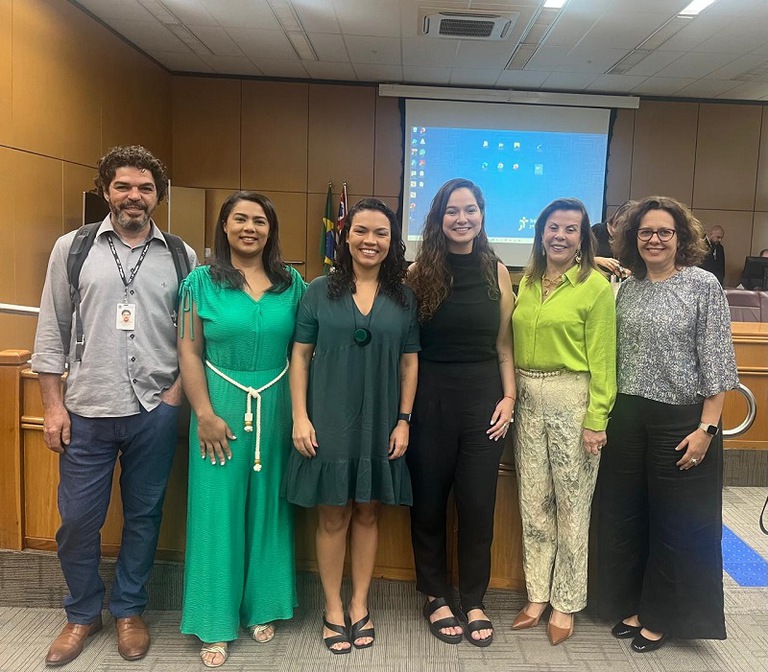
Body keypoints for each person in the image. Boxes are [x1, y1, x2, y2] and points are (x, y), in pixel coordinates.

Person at [31, 146, 197, 666]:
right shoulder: (74, 248)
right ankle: (82, 613)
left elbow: (191, 334)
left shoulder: (180, 254)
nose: (134, 196)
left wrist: (175, 397)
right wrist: (53, 407)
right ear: (107, 190)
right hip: (86, 407)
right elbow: (51, 331)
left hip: (154, 407)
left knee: (145, 515)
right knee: (78, 520)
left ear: (158, 197)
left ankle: (129, 609)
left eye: (145, 188)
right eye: (124, 186)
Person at [596, 196, 738, 653]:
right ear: (632, 239)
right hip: (628, 418)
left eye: (664, 232)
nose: (654, 239)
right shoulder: (628, 285)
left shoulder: (702, 285)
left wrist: (707, 430)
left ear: (681, 238)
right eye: (645, 232)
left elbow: (717, 363)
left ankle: (664, 617)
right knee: (632, 518)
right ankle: (638, 604)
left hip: (682, 421)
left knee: (678, 526)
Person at [284, 198, 419, 654]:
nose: (370, 241)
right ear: (345, 236)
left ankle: (360, 603)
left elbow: (409, 363)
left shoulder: (404, 296)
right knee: (333, 512)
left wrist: (404, 420)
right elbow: (299, 357)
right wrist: (300, 417)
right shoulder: (319, 290)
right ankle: (332, 607)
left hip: (382, 418)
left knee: (368, 510)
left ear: (392, 241)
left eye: (381, 233)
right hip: (328, 416)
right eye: (361, 231)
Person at [177, 192, 305, 668]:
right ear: (224, 227)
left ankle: (263, 605)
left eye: (260, 221)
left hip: (276, 406)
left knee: (270, 507)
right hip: (219, 406)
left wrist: (298, 413)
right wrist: (204, 413)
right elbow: (189, 353)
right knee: (217, 512)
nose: (250, 227)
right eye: (240, 219)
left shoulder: (292, 283)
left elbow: (301, 353)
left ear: (271, 230)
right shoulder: (198, 283)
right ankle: (214, 620)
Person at [406, 178, 515, 648]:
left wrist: (509, 399)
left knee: (477, 505)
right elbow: (406, 350)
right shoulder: (417, 273)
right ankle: (434, 594)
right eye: (453, 211)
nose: (462, 218)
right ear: (439, 217)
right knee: (428, 502)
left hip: (485, 402)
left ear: (482, 215)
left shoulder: (497, 270)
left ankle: (473, 598)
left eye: (471, 209)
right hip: (430, 397)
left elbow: (504, 345)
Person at [511, 198, 616, 646]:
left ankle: (566, 602)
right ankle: (537, 594)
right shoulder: (529, 281)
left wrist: (597, 419)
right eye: (553, 226)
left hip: (573, 398)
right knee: (534, 503)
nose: (560, 235)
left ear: (583, 238)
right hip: (526, 398)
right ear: (540, 232)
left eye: (571, 229)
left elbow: (605, 362)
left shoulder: (594, 286)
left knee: (574, 507)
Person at [592, 200, 635, 279]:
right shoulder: (597, 230)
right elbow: (577, 258)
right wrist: (598, 260)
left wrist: (629, 272)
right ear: (617, 217)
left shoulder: (630, 238)